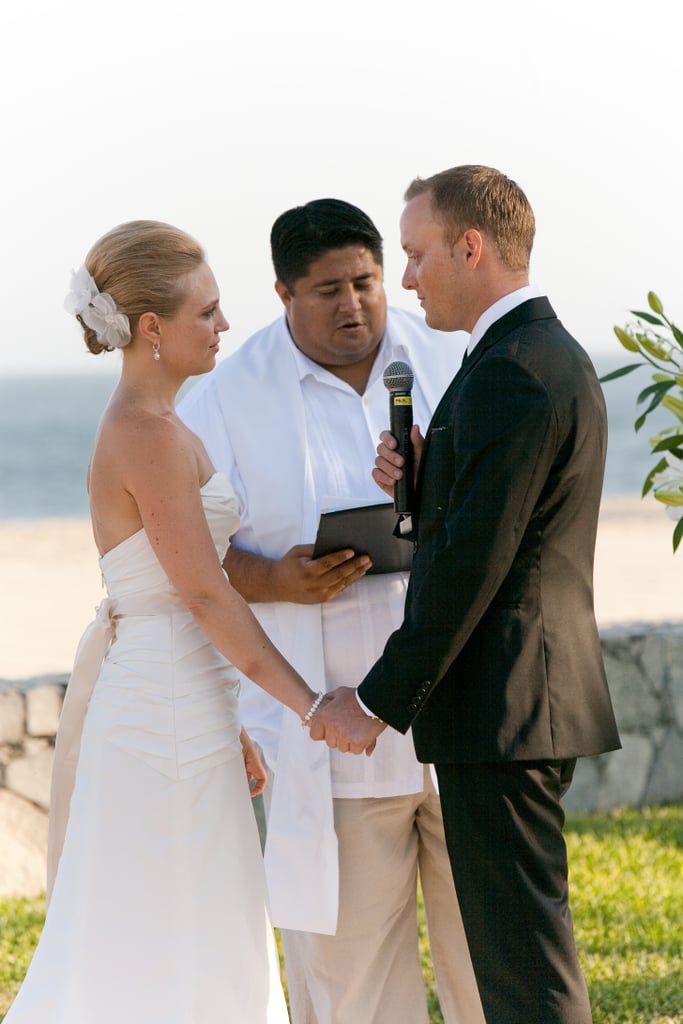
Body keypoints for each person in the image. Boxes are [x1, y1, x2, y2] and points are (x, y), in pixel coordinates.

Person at [311, 166, 622, 1024]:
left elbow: (473, 569)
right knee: (517, 948)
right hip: (512, 702)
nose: (405, 277)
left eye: (414, 254)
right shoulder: (527, 357)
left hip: (505, 703)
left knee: (522, 963)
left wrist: (375, 700)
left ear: (470, 246)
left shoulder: (512, 371)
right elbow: (488, 528)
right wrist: (427, 471)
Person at [4, 220, 324, 1023]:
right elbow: (206, 596)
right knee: (163, 930)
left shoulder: (166, 426)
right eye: (207, 312)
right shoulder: (145, 436)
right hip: (160, 723)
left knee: (199, 922)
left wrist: (232, 720)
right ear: (152, 328)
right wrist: (311, 706)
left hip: (186, 706)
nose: (223, 327)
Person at [178, 198, 485, 1024]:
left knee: (487, 968)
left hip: (458, 717)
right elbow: (191, 558)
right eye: (327, 290)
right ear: (282, 293)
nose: (352, 304)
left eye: (366, 281)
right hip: (333, 734)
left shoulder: (451, 359)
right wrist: (276, 578)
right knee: (350, 984)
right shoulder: (227, 396)